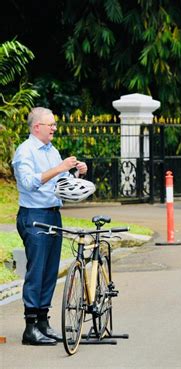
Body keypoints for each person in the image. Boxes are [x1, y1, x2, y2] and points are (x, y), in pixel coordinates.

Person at [12, 107, 88, 345]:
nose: (54, 128)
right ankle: (30, 327)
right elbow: (27, 182)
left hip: (53, 214)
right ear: (37, 127)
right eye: (51, 124)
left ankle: (44, 322)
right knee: (36, 270)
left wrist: (77, 173)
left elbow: (61, 182)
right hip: (34, 216)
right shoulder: (25, 152)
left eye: (54, 124)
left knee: (50, 270)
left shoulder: (51, 150)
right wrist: (60, 167)